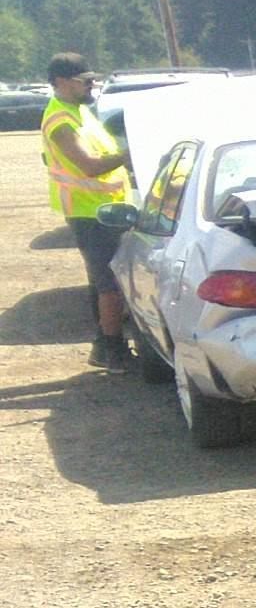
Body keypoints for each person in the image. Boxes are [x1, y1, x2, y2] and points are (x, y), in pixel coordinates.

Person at [40, 53, 135, 370]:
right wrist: (130, 153)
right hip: (89, 214)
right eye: (86, 81)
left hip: (105, 210)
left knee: (102, 282)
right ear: (63, 82)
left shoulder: (80, 112)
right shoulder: (61, 122)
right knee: (110, 284)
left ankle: (102, 347)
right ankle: (114, 350)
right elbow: (90, 166)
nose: (92, 85)